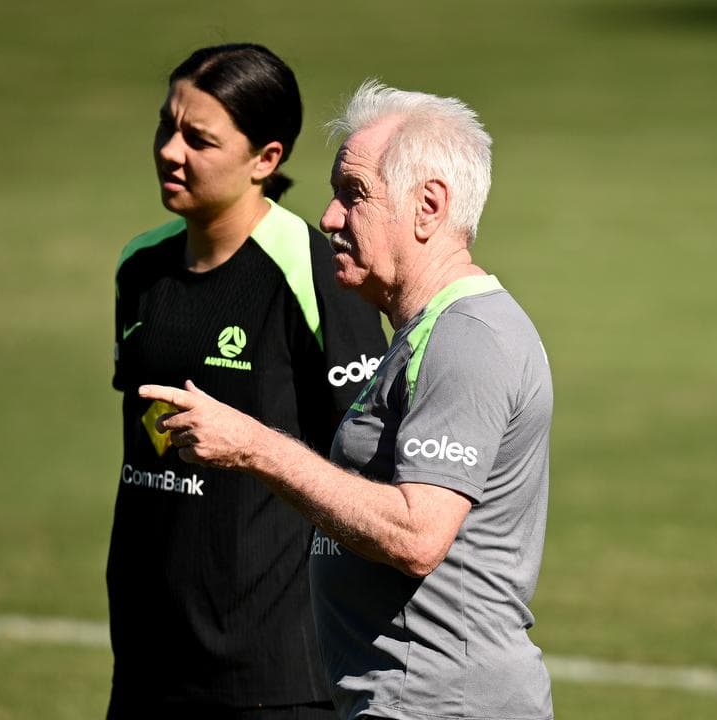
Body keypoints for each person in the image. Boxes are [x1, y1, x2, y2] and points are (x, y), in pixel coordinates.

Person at [141, 80, 555, 720]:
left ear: (428, 206)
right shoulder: (424, 335)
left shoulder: (469, 341)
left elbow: (418, 534)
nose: (330, 218)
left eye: (353, 195)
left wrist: (255, 447)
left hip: (442, 706)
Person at [108, 46, 388, 719]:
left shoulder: (314, 273)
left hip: (276, 676)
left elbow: (367, 468)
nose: (171, 151)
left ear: (266, 158)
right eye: (166, 127)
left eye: (199, 139)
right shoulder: (139, 269)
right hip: (147, 660)